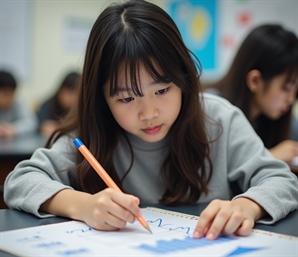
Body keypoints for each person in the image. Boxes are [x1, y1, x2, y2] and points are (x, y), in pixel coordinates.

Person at [4, 0, 298, 241]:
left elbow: (280, 180)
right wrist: (83, 205)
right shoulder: (92, 134)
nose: (149, 113)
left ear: (183, 78)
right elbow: (20, 181)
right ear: (102, 98)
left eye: (162, 90)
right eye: (126, 98)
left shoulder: (219, 118)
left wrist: (246, 207)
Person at [204, 24, 298, 163]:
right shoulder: (210, 111)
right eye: (286, 88)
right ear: (255, 81)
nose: (291, 99)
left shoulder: (285, 122)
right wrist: (269, 157)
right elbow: (210, 176)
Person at [37, 71, 80, 137]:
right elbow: (45, 127)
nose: (71, 99)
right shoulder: (48, 104)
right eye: (68, 93)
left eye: (75, 94)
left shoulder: (80, 108)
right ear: (60, 90)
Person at [0, 70, 38, 138]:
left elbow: (32, 123)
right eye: (5, 94)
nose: (9, 99)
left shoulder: (17, 102)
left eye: (12, 94)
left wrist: (13, 129)